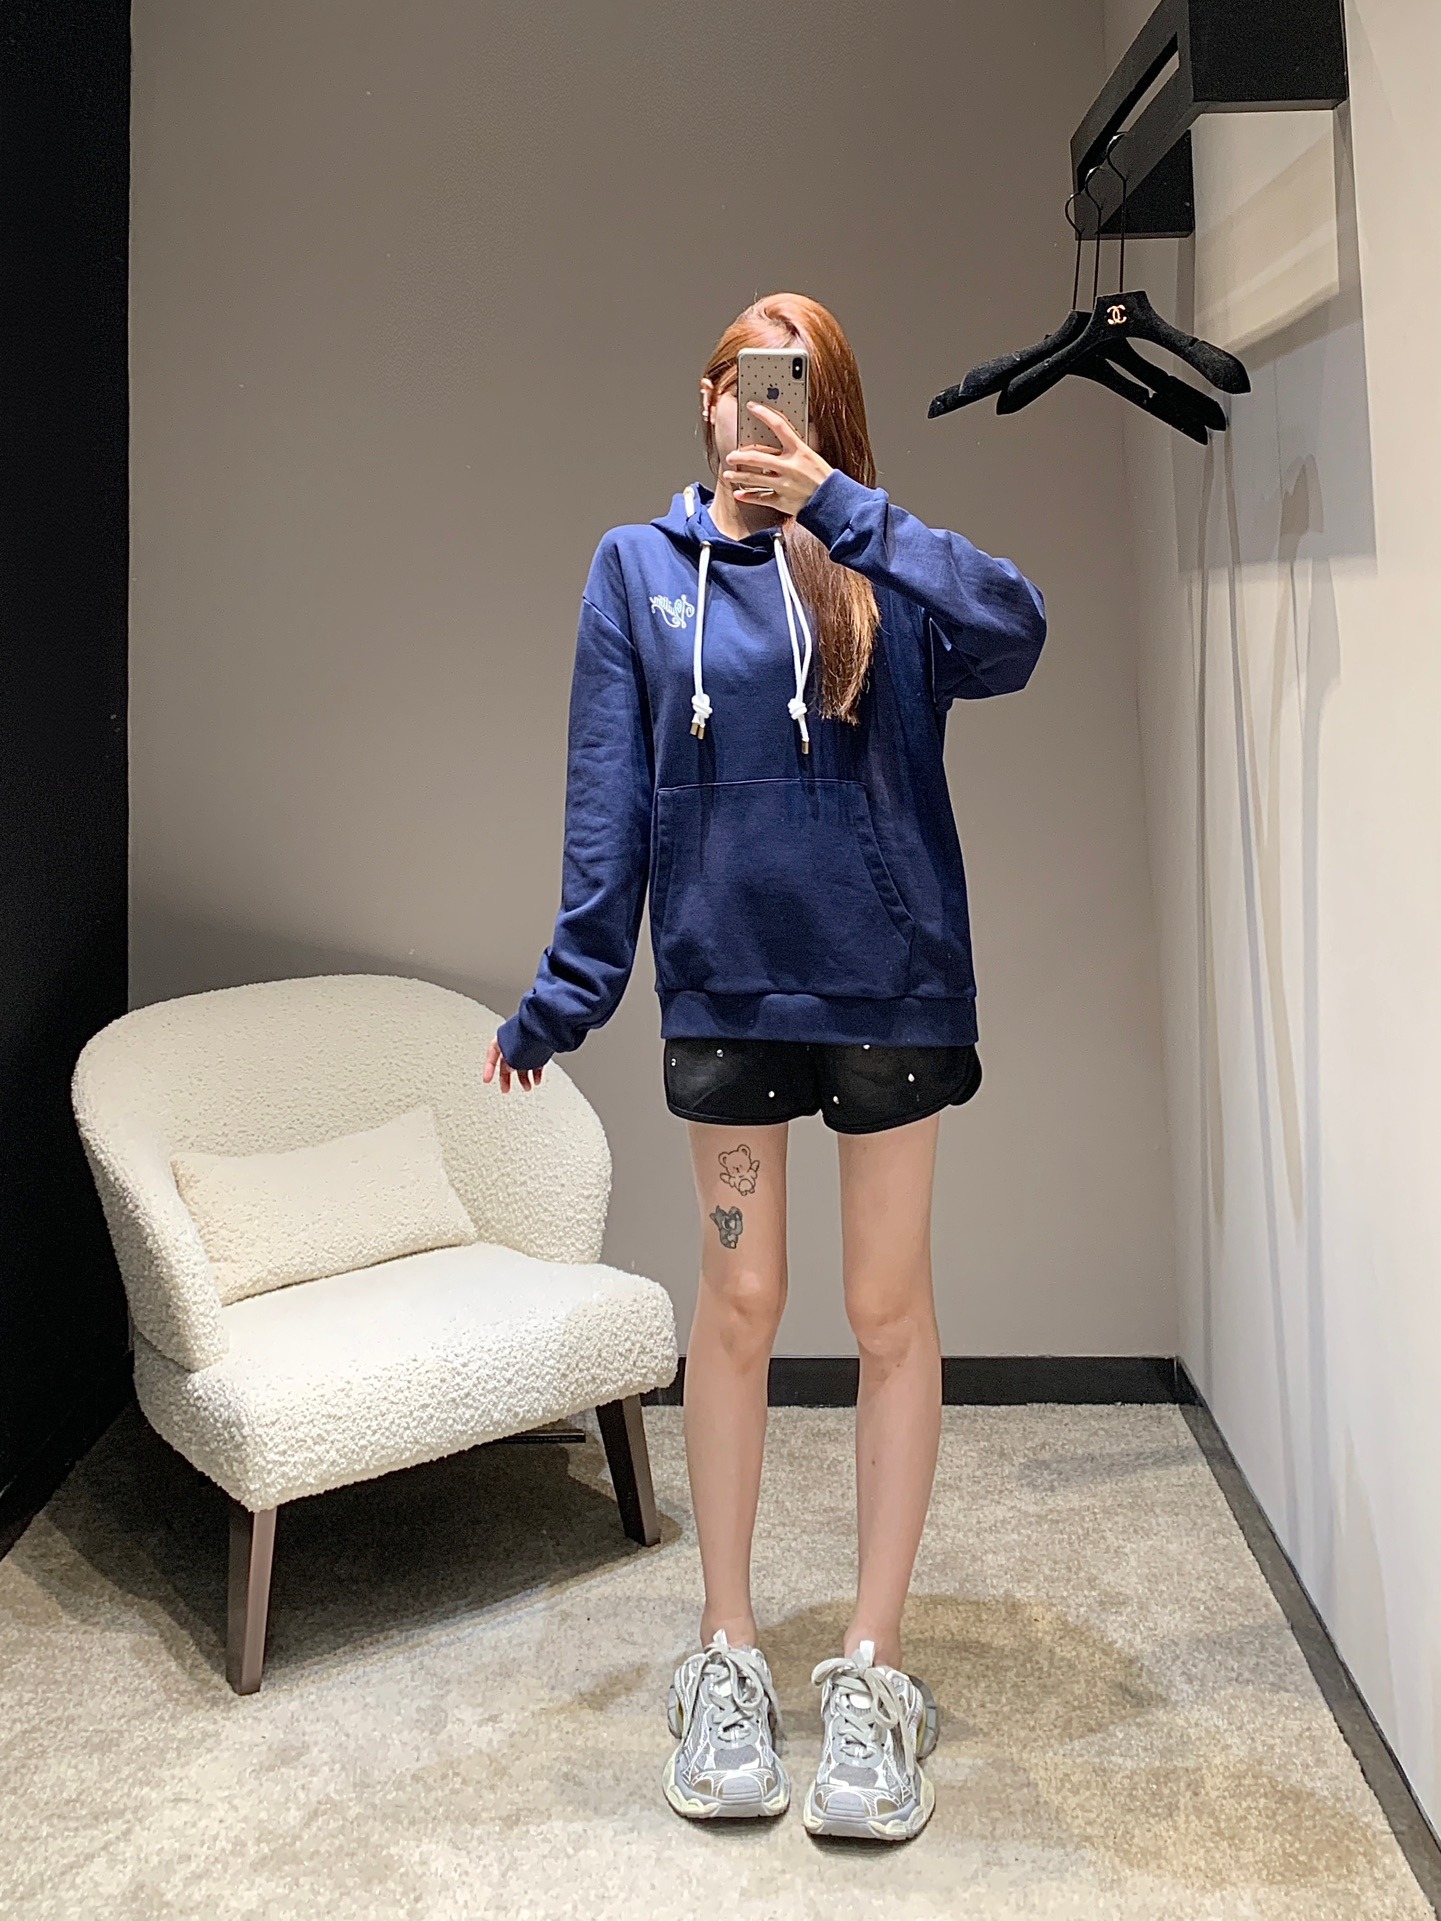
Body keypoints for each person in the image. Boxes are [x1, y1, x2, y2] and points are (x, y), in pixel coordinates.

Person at [484, 292, 1046, 1842]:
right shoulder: (636, 570)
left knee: (884, 1309)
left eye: (791, 382)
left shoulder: (881, 562)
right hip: (728, 985)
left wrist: (842, 511)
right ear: (707, 395)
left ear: (823, 408)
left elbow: (1016, 629)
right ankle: (725, 1647)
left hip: (891, 989)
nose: (760, 402)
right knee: (737, 1300)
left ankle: (872, 1664)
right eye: (743, 376)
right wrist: (567, 992)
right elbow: (608, 796)